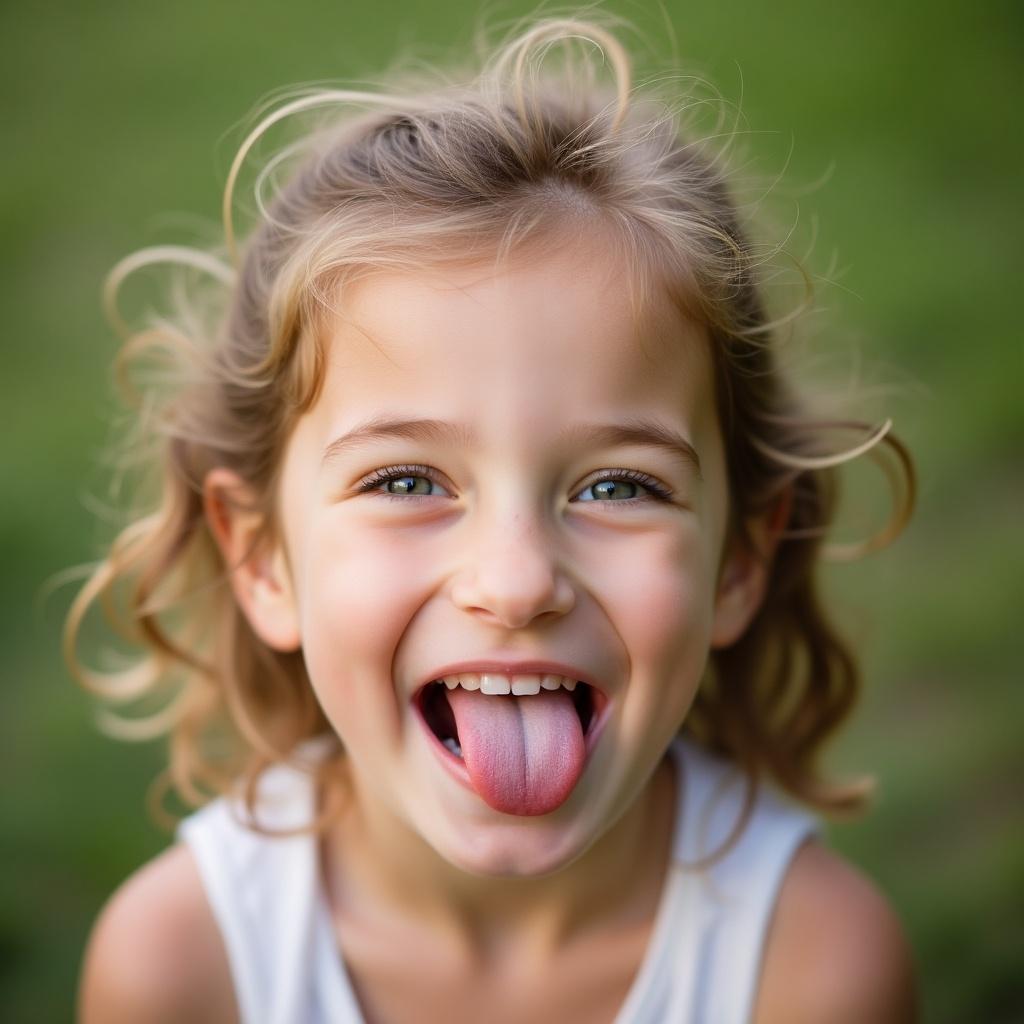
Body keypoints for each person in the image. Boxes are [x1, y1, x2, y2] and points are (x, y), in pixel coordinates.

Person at [68, 14, 918, 1023]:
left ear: (738, 558)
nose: (515, 584)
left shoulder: (811, 969)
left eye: (617, 486)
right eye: (404, 481)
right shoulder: (182, 967)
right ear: (261, 559)